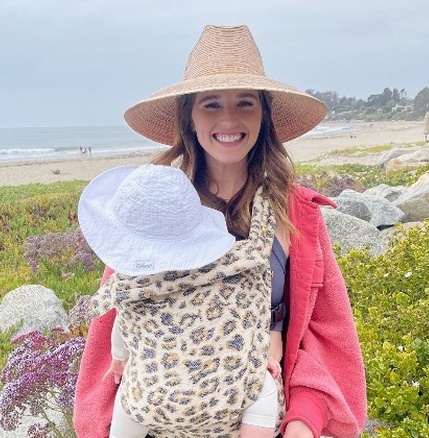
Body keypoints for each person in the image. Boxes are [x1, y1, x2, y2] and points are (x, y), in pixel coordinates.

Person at [73, 24, 367, 438]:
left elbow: (327, 336)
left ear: (263, 116)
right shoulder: (154, 215)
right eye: (211, 104)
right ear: (189, 119)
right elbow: (117, 328)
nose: (228, 119)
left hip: (262, 418)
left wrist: (304, 418)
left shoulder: (296, 215)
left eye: (245, 103)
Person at [78, 163, 282, 438]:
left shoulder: (129, 284)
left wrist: (118, 359)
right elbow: (246, 318)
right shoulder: (231, 267)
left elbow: (122, 329)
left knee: (129, 402)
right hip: (229, 389)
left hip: (153, 399)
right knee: (264, 388)